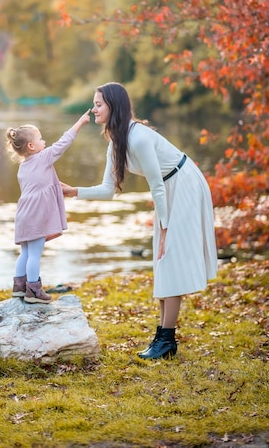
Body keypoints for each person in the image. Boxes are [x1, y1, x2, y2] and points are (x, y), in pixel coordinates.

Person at [61, 82, 217, 359]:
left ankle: (167, 340)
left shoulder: (139, 137)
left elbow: (157, 185)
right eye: (94, 104)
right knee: (163, 262)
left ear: (113, 106)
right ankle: (163, 336)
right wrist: (74, 192)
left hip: (184, 185)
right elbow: (108, 189)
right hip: (170, 190)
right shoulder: (117, 141)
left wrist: (166, 229)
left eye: (98, 104)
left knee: (169, 258)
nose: (93, 109)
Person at [6, 110, 91, 304]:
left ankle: (19, 288)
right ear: (31, 146)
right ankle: (34, 292)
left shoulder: (23, 166)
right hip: (36, 214)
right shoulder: (43, 157)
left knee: (25, 253)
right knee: (35, 254)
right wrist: (79, 123)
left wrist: (55, 186)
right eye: (41, 139)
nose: (44, 142)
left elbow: (39, 185)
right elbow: (63, 143)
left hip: (23, 214)